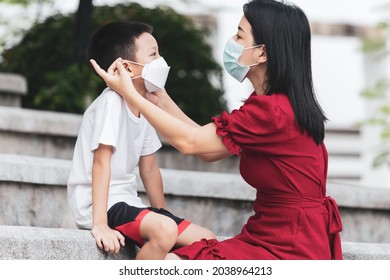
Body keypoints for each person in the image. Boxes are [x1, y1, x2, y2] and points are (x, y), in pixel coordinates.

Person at [90, 0, 343, 260]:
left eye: (239, 35)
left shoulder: (272, 113)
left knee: (168, 263)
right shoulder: (274, 107)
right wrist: (160, 100)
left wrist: (130, 94)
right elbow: (207, 150)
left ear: (262, 53)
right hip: (273, 235)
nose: (232, 40)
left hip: (290, 245)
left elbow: (191, 143)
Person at [67, 21, 215, 260]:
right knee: (165, 231)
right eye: (153, 54)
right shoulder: (111, 104)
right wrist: (100, 224)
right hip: (102, 206)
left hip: (128, 203)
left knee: (206, 240)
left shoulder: (142, 104)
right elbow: (101, 163)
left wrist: (162, 213)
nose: (161, 60)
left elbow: (150, 169)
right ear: (126, 67)